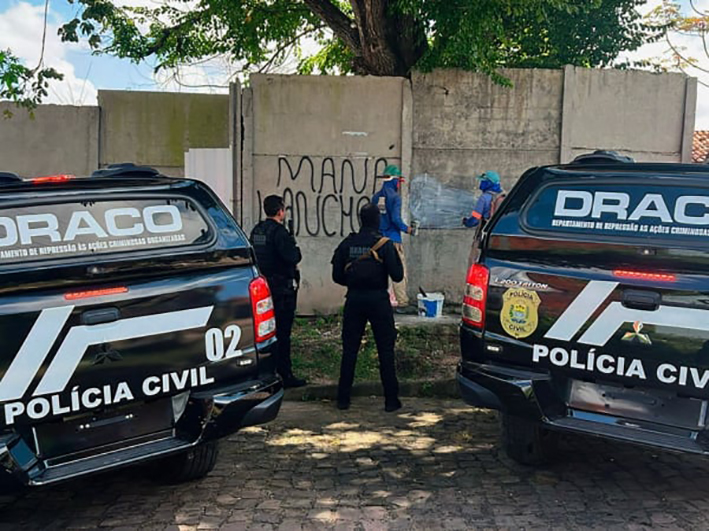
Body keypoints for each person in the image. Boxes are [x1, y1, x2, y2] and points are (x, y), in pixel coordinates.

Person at [331, 203, 404, 412]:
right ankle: (391, 400)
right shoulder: (384, 245)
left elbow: (337, 276)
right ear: (378, 221)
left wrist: (354, 282)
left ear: (360, 220)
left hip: (354, 299)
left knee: (350, 349)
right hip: (379, 300)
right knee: (385, 350)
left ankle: (343, 399)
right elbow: (398, 276)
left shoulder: (347, 243)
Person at [250, 195, 307, 388]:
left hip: (263, 289)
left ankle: (266, 372)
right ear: (280, 211)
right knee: (283, 333)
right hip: (281, 290)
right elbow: (293, 257)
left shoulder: (257, 230)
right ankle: (285, 374)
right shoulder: (280, 233)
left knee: (265, 333)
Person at [372, 164, 413, 313]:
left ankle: (379, 301)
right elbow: (396, 219)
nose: (399, 185)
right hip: (393, 240)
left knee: (379, 271)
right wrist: (408, 229)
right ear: (394, 180)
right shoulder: (395, 198)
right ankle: (402, 302)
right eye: (399, 181)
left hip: (378, 241)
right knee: (399, 271)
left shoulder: (376, 197)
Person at [462, 171, 505, 266]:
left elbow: (475, 219)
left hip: (484, 233)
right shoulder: (503, 197)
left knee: (474, 260)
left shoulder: (484, 198)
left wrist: (466, 222)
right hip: (499, 235)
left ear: (488, 183)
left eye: (483, 181)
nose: (481, 183)